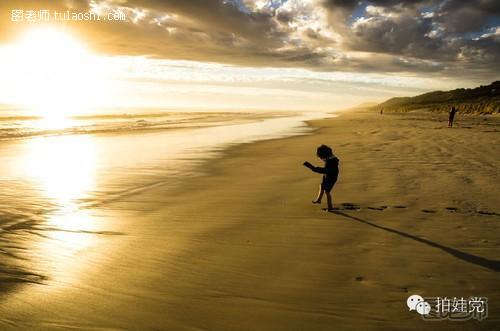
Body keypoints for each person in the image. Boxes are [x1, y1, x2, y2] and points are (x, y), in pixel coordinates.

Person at [303, 144, 339, 211]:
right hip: (327, 175)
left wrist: (312, 167)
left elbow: (325, 170)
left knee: (327, 192)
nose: (321, 159)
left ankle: (330, 207)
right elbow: (326, 170)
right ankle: (319, 200)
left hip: (332, 178)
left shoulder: (331, 162)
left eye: (321, 157)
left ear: (324, 155)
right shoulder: (330, 158)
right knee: (322, 186)